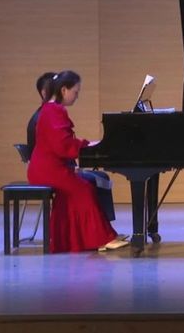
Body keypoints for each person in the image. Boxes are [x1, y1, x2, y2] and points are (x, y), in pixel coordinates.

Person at [27, 70, 128, 253]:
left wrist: (84, 144)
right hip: (48, 169)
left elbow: (62, 141)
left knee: (83, 187)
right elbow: (62, 145)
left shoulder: (50, 109)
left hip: (48, 166)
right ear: (64, 90)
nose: (77, 96)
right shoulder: (54, 111)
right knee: (84, 189)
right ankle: (101, 239)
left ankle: (82, 238)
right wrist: (84, 144)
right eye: (75, 92)